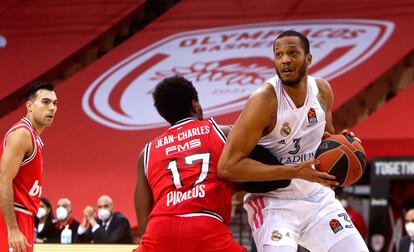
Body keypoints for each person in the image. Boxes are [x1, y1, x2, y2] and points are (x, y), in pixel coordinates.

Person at [218, 30, 368, 252]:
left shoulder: (322, 91)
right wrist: (295, 171)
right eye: (279, 55)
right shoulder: (264, 100)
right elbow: (227, 167)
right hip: (274, 205)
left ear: (308, 58)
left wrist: (345, 144)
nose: (285, 60)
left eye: (292, 53)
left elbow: (325, 141)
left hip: (317, 199)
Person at [133, 76, 247, 252]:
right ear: (194, 104)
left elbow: (142, 226)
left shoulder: (147, 152)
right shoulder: (222, 132)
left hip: (160, 230)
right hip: (205, 225)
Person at [0, 82, 57, 252]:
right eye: (45, 102)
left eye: (55, 103)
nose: (52, 108)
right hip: (13, 216)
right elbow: (3, 179)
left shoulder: (33, 136)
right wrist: (12, 229)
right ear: (29, 106)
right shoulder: (22, 134)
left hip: (24, 216)